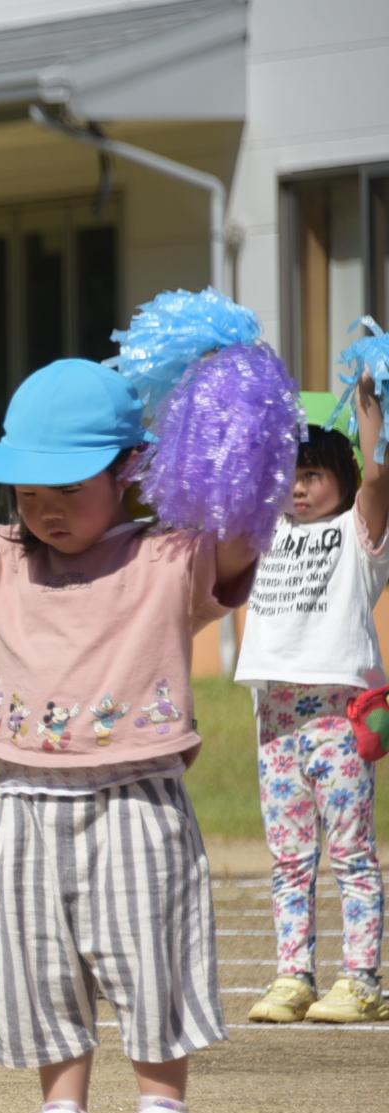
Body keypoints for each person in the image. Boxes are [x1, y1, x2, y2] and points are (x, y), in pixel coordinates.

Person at [0, 358, 256, 1113]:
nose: (45, 509)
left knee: (150, 956)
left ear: (129, 470)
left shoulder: (170, 556)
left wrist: (235, 444)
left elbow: (235, 543)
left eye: (67, 487)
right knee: (39, 964)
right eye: (28, 491)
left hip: (137, 797)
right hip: (22, 800)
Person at [237, 377, 389, 1024]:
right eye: (289, 473)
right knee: (289, 857)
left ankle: (361, 979)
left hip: (339, 713)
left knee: (352, 852)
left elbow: (379, 485)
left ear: (345, 476)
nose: (297, 486)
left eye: (312, 472)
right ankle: (293, 974)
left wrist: (371, 427)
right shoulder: (267, 528)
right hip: (275, 716)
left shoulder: (360, 534)